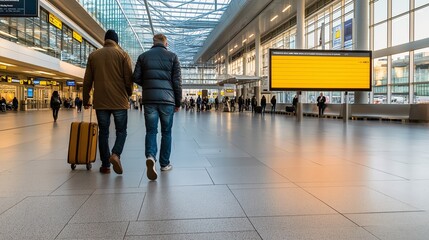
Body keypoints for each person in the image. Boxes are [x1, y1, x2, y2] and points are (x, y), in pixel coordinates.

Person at [83, 29, 133, 174]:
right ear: (117, 42)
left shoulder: (93, 55)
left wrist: (86, 100)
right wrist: (128, 93)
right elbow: (128, 79)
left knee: (103, 132)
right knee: (121, 131)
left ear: (105, 40)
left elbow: (87, 81)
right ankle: (115, 154)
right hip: (119, 101)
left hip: (101, 101)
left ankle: (105, 165)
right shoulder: (123, 55)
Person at [132, 33, 182, 181]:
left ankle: (150, 157)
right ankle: (164, 164)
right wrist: (178, 102)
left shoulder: (143, 56)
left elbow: (135, 77)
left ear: (154, 42)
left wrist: (148, 84)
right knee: (166, 132)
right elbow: (177, 82)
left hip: (149, 100)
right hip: (168, 101)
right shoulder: (173, 57)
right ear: (165, 43)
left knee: (151, 131)